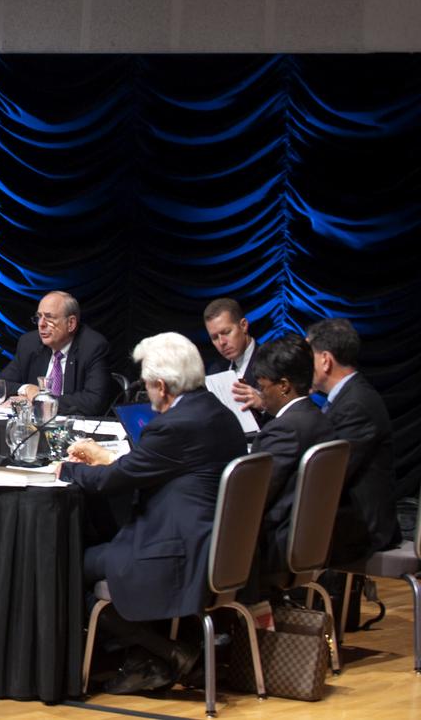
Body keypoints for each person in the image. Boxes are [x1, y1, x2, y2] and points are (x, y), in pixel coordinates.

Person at [59, 332, 247, 694]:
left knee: (66, 565)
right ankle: (145, 660)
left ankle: (166, 654)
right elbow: (151, 467)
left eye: (147, 385)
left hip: (175, 553)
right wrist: (107, 460)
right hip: (214, 547)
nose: (147, 393)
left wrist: (64, 471)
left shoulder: (174, 424)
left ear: (161, 385)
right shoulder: (217, 413)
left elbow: (114, 481)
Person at [307, 318, 401, 565]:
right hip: (348, 515)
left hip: (364, 525)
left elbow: (332, 473)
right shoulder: (346, 398)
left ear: (325, 360)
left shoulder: (356, 404)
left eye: (309, 357)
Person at [248, 334, 335, 576]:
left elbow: (253, 497)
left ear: (284, 386)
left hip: (275, 544)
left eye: (263, 387)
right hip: (311, 542)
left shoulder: (283, 429)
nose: (260, 394)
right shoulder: (320, 419)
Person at [0, 291, 110, 416]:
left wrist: (40, 401)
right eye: (39, 317)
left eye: (49, 318)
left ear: (71, 323)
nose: (41, 324)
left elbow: (94, 402)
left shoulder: (92, 347)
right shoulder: (30, 343)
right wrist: (27, 389)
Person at [202, 297, 266, 417]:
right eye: (215, 337)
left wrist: (263, 405)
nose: (222, 342)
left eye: (226, 332)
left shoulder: (272, 361)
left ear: (243, 325)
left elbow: (293, 412)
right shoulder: (215, 371)